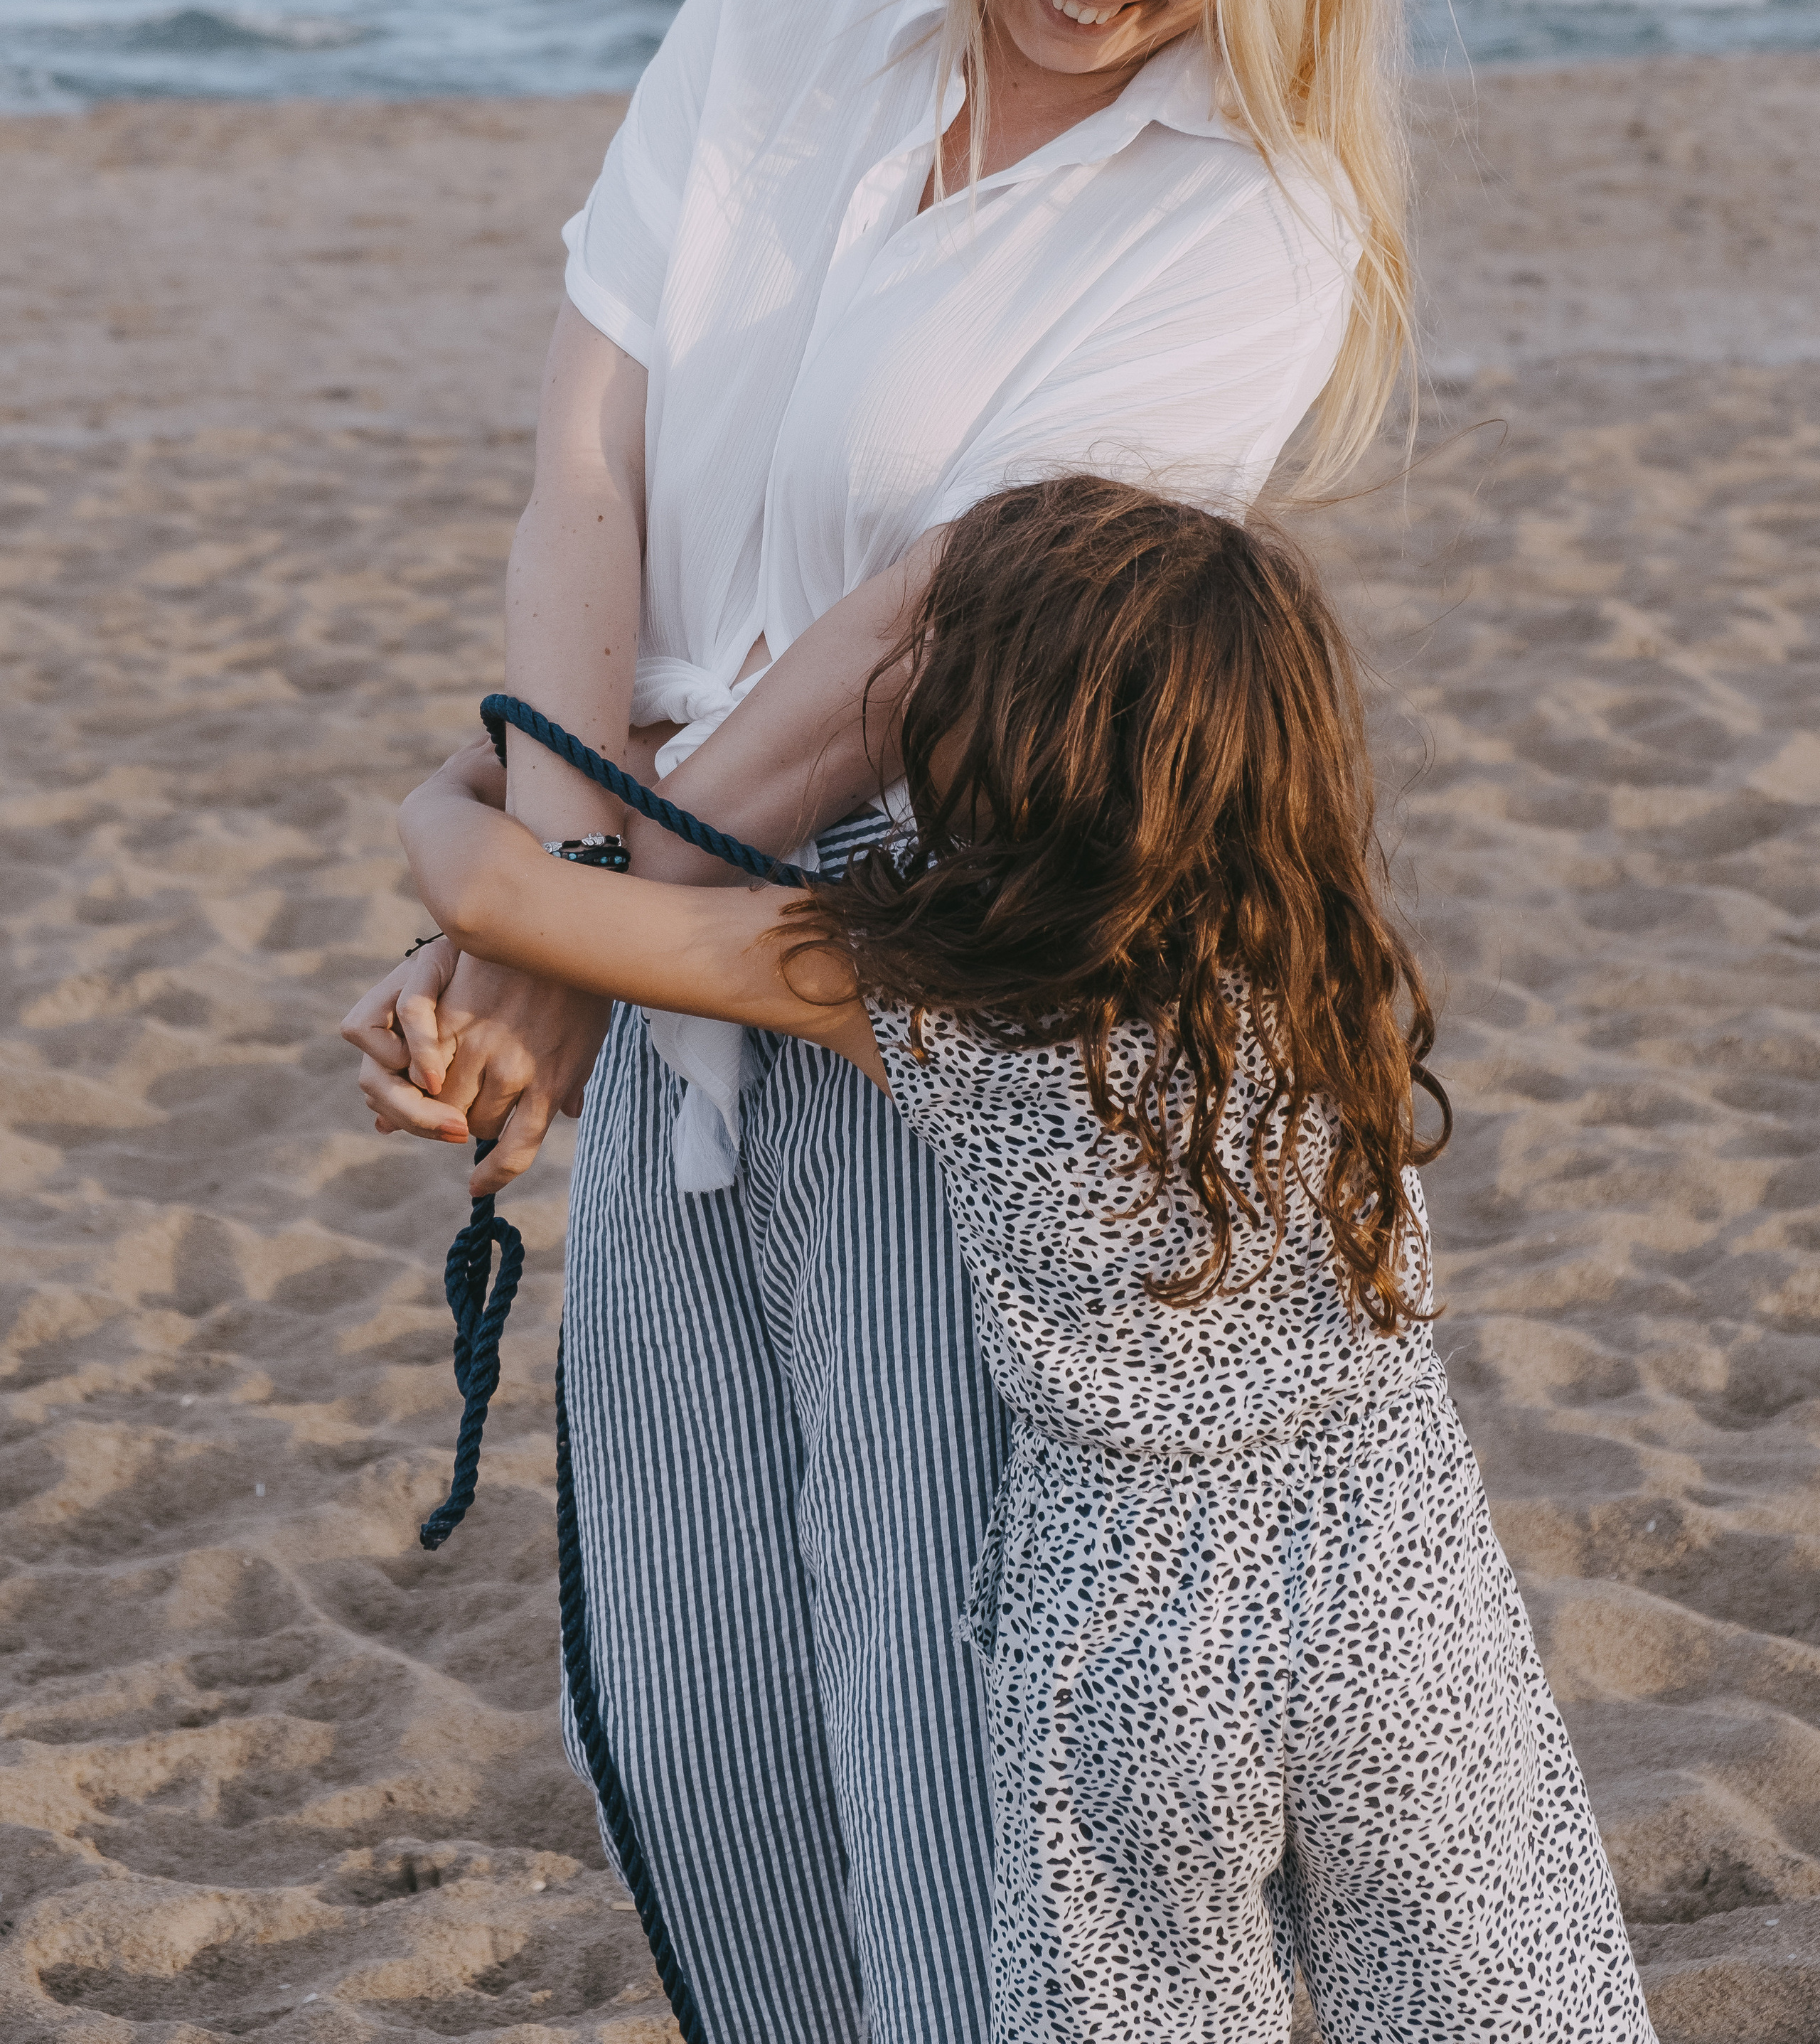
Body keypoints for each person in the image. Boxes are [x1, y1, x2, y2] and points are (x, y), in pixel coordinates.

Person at [343, 0, 1416, 2042]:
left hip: (926, 981)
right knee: (700, 1751)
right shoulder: (767, 28)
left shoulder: (1257, 219)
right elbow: (582, 483)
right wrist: (550, 893)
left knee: (944, 1782)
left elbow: (900, 658)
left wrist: (527, 921)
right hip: (645, 873)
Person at [392, 476, 1657, 2044]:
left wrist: (474, 774)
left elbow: (493, 892)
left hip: (1121, 1638)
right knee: (1503, 2006)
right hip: (1395, 1595)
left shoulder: (926, 983)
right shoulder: (1317, 955)